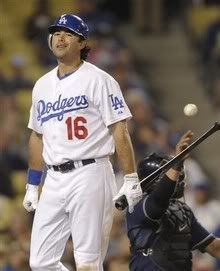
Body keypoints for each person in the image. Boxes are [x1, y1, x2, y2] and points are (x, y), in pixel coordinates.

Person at [22, 14, 142, 271]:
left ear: (82, 42)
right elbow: (36, 135)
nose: (59, 38)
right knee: (40, 262)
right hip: (53, 179)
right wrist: (33, 184)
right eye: (55, 33)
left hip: (91, 172)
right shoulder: (41, 85)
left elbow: (119, 130)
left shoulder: (99, 79)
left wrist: (130, 177)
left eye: (67, 33)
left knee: (87, 262)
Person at [126, 130, 220, 271]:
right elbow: (159, 201)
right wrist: (177, 161)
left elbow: (214, 247)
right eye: (172, 171)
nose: (179, 175)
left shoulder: (182, 210)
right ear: (154, 180)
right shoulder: (137, 205)